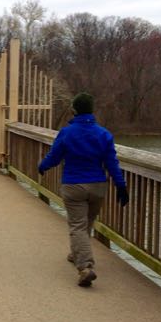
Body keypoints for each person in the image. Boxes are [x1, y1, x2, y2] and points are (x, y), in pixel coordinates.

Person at [38, 92, 129, 287]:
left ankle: (85, 267)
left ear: (74, 110)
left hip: (73, 184)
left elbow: (54, 157)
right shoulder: (104, 134)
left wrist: (42, 166)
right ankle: (76, 253)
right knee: (86, 222)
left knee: (77, 225)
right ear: (91, 111)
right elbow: (112, 163)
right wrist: (121, 185)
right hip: (97, 185)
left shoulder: (67, 133)